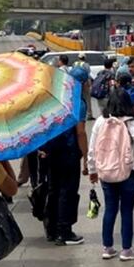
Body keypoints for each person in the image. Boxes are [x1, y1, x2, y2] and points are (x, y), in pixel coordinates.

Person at [87, 87, 134, 261]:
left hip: (106, 172)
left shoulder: (101, 122)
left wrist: (92, 170)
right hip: (128, 173)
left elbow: (93, 149)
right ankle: (126, 250)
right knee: (127, 211)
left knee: (110, 209)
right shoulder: (133, 124)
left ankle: (107, 248)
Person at [42, 75, 89, 246]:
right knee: (67, 191)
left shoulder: (55, 100)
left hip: (52, 152)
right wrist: (86, 158)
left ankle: (51, 229)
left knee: (53, 189)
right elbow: (81, 132)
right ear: (82, 83)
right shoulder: (78, 103)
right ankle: (64, 231)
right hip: (69, 153)